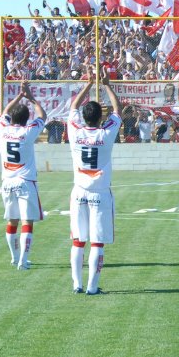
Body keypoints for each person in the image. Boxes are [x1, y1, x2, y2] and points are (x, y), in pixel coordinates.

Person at [67, 68, 122, 295]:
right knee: (97, 242)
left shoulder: (75, 132)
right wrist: (107, 84)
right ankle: (92, 286)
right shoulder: (105, 134)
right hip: (100, 192)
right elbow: (118, 110)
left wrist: (88, 84)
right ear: (100, 118)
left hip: (79, 191)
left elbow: (72, 108)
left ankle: (76, 283)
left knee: (78, 240)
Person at [0, 82, 47, 269]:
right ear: (27, 119)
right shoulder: (28, 132)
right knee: (28, 221)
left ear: (12, 119)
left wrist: (19, 96)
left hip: (7, 181)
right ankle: (23, 260)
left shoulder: (3, 130)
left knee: (12, 221)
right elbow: (43, 115)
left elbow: (4, 112)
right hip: (25, 182)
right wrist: (30, 97)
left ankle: (14, 257)